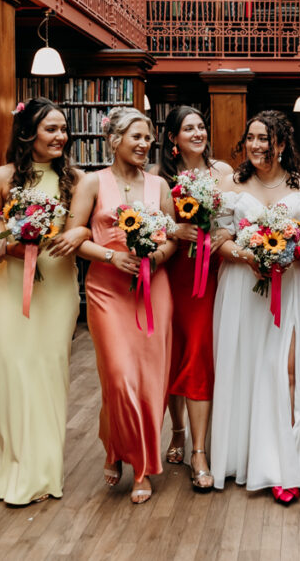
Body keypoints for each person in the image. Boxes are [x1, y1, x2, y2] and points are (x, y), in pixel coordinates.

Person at [211, 110, 300, 504]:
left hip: (290, 288)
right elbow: (218, 240)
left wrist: (297, 253)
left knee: (289, 370)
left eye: (266, 139)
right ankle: (248, 455)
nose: (257, 146)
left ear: (281, 143)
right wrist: (247, 256)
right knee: (248, 368)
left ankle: (287, 460)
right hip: (244, 287)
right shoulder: (230, 183)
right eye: (252, 138)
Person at [0, 97, 86, 505]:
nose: (62, 136)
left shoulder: (75, 180)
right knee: (16, 372)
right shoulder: (2, 177)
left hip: (56, 286)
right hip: (7, 287)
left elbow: (82, 230)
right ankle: (12, 470)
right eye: (51, 129)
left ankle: (43, 473)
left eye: (63, 129)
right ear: (28, 134)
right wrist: (6, 241)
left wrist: (79, 234)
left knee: (49, 372)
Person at [72, 106, 177, 505]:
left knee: (150, 381)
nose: (144, 143)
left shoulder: (159, 185)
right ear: (114, 140)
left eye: (148, 137)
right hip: (106, 290)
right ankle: (116, 442)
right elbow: (74, 238)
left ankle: (142, 465)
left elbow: (171, 237)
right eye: (136, 136)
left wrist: (156, 258)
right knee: (118, 377)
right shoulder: (91, 183)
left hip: (154, 290)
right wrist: (111, 257)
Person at [150, 105, 233, 491]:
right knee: (174, 352)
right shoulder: (159, 178)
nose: (198, 133)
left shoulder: (224, 173)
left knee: (200, 350)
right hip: (172, 271)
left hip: (211, 274)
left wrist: (223, 235)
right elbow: (151, 225)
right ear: (172, 138)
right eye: (189, 128)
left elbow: (236, 218)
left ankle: (199, 450)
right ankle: (178, 430)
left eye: (202, 126)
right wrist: (175, 229)